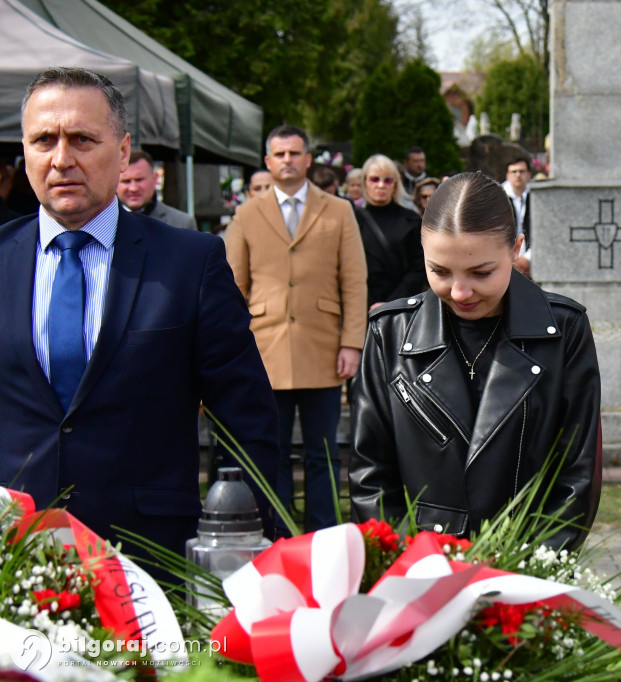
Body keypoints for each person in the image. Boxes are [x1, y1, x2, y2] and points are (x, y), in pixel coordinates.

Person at [0, 67, 279, 557]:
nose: (61, 159)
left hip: (151, 556)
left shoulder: (190, 264)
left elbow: (246, 420)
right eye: (43, 140)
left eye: (82, 139)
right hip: (14, 554)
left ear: (124, 150)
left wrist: (241, 551)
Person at [349, 172, 602, 550]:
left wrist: (534, 563)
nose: (460, 292)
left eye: (481, 273)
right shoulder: (390, 332)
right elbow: (370, 471)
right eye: (439, 271)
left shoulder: (564, 330)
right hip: (420, 564)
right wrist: (405, 559)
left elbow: (577, 470)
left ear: (515, 249)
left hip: (524, 560)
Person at [226, 124, 368, 533]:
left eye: (294, 153)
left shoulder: (339, 210)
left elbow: (353, 281)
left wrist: (351, 343)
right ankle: (279, 535)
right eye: (279, 154)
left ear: (307, 159)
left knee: (323, 453)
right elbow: (233, 286)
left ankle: (324, 535)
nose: (287, 160)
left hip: (323, 349)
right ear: (267, 162)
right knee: (271, 452)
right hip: (265, 349)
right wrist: (236, 348)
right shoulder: (247, 214)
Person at [355, 154, 426, 311]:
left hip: (402, 306)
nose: (381, 185)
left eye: (387, 180)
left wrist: (391, 303)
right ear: (365, 182)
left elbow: (419, 267)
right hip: (362, 306)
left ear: (395, 184)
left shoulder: (410, 220)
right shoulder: (353, 219)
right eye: (374, 179)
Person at [117, 149, 197, 230]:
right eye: (126, 181)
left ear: (155, 179)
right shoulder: (108, 222)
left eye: (139, 180)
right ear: (114, 182)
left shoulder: (181, 223)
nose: (133, 188)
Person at [502, 156, 533, 277]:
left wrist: (528, 258)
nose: (518, 175)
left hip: (534, 260)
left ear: (529, 174)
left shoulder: (537, 197)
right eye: (514, 172)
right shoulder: (498, 198)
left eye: (522, 171)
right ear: (507, 175)